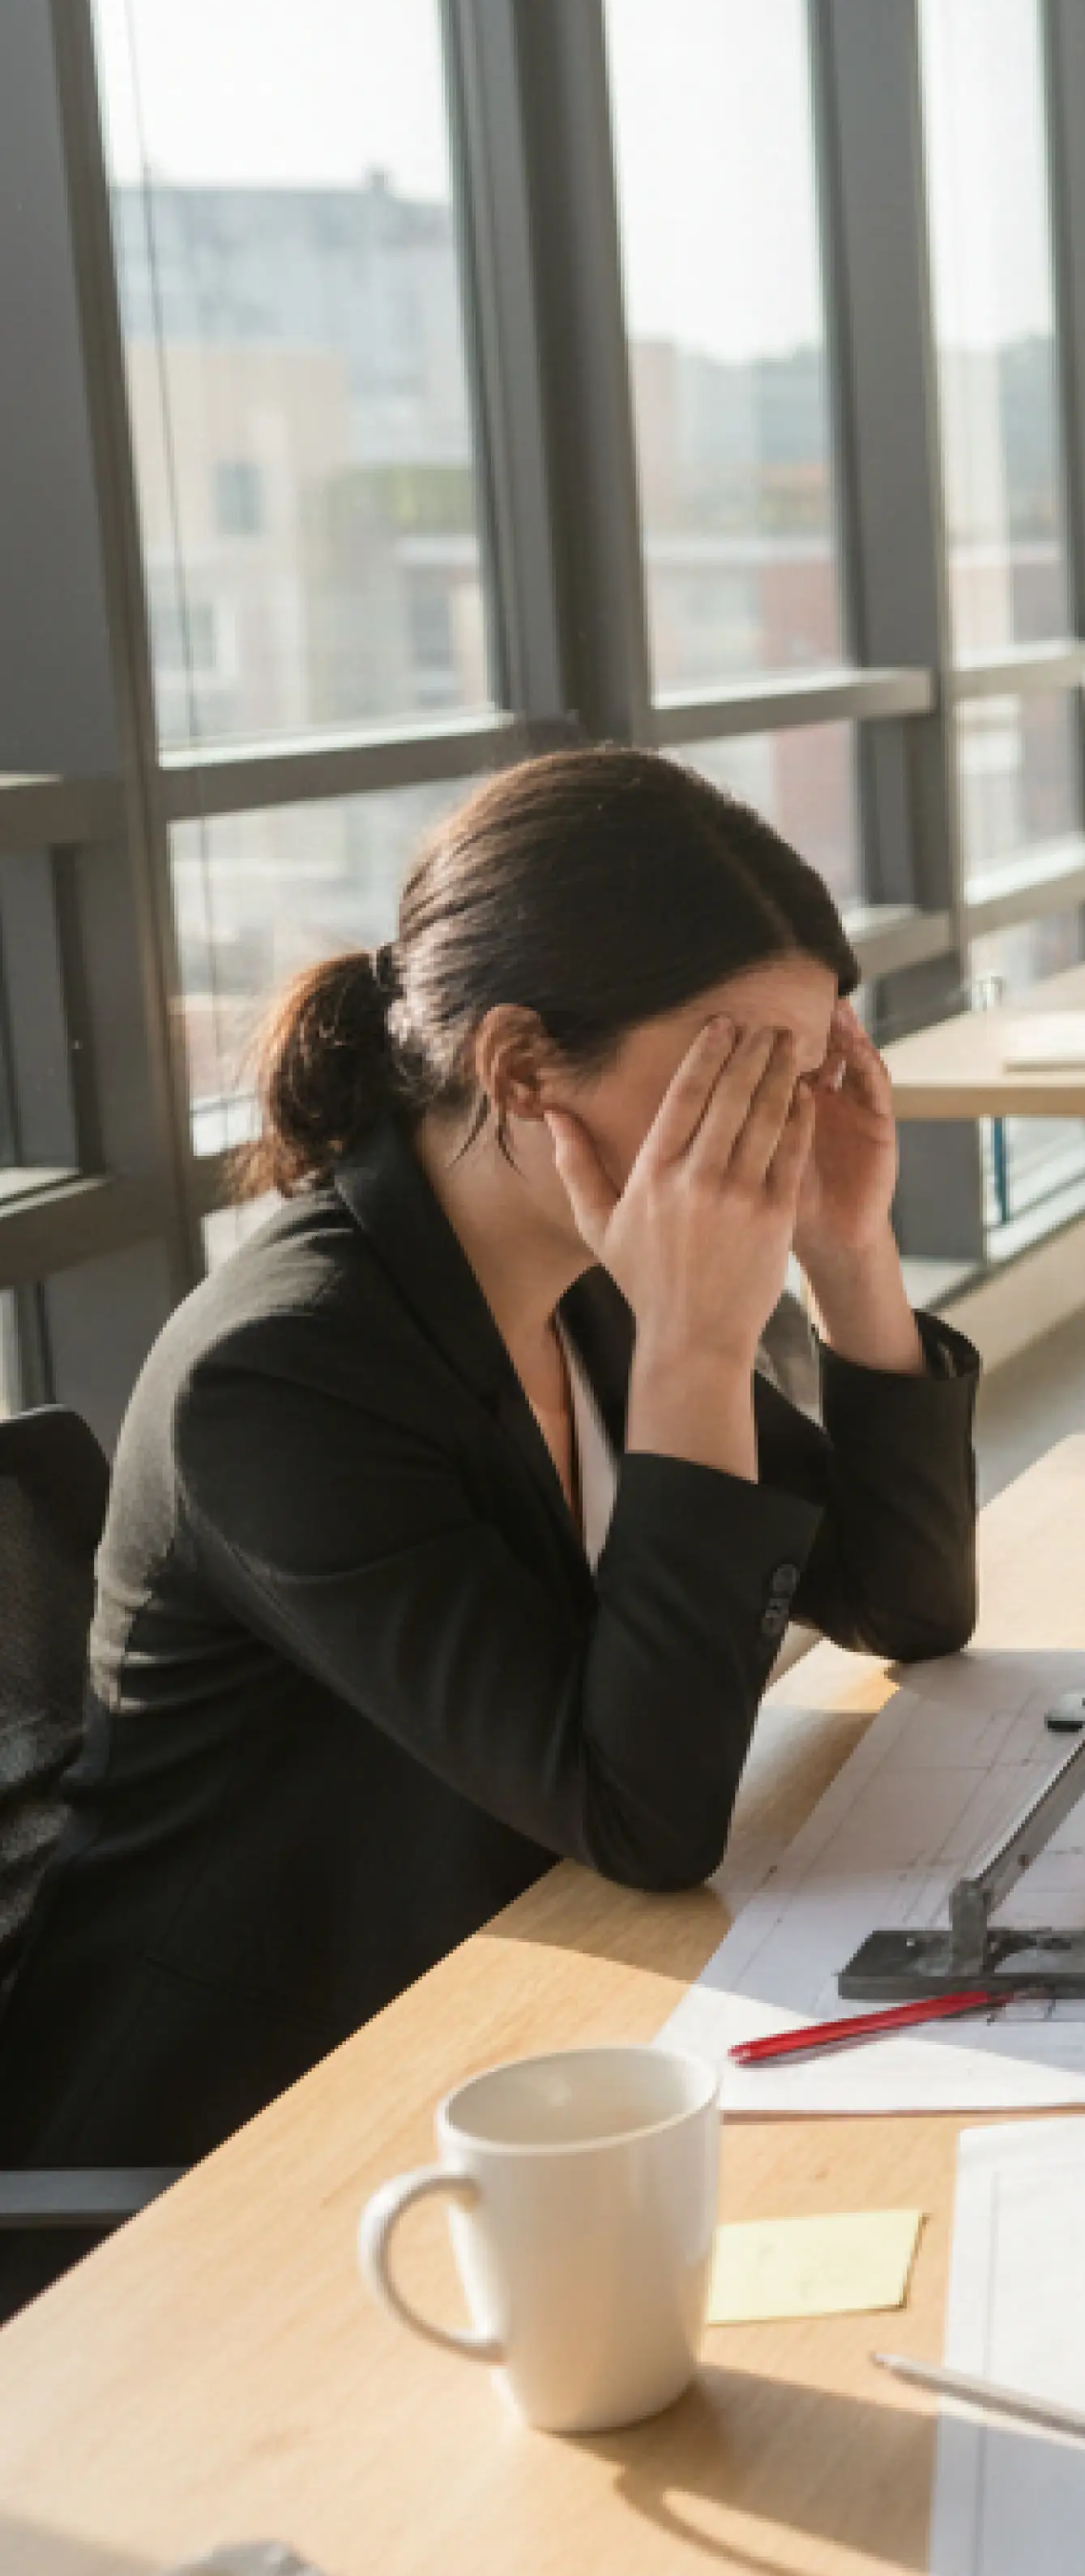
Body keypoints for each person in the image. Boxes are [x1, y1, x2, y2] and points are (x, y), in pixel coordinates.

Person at [0, 751, 981, 2291]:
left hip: (501, 2022)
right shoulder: (284, 1374)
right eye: (741, 1068)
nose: (786, 1118)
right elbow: (645, 1814)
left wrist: (849, 1254)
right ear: (524, 1064)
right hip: (235, 2152)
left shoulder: (576, 1284)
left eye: (809, 1066)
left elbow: (905, 1601)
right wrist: (699, 1349)